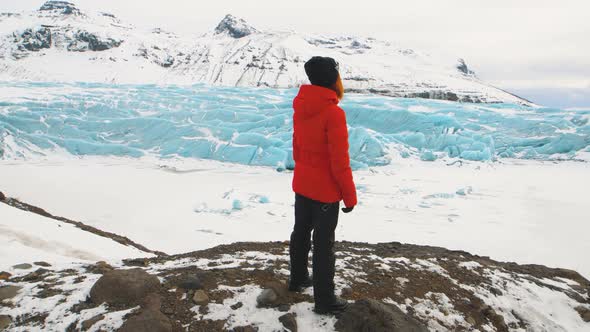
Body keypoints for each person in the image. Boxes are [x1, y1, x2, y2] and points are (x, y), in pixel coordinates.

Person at [289, 56, 357, 315]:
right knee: (324, 244)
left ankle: (297, 279)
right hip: (326, 192)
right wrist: (349, 197)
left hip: (303, 183)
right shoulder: (333, 113)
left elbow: (297, 147)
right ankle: (325, 300)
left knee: (300, 232)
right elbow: (340, 161)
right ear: (332, 79)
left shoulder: (301, 105)